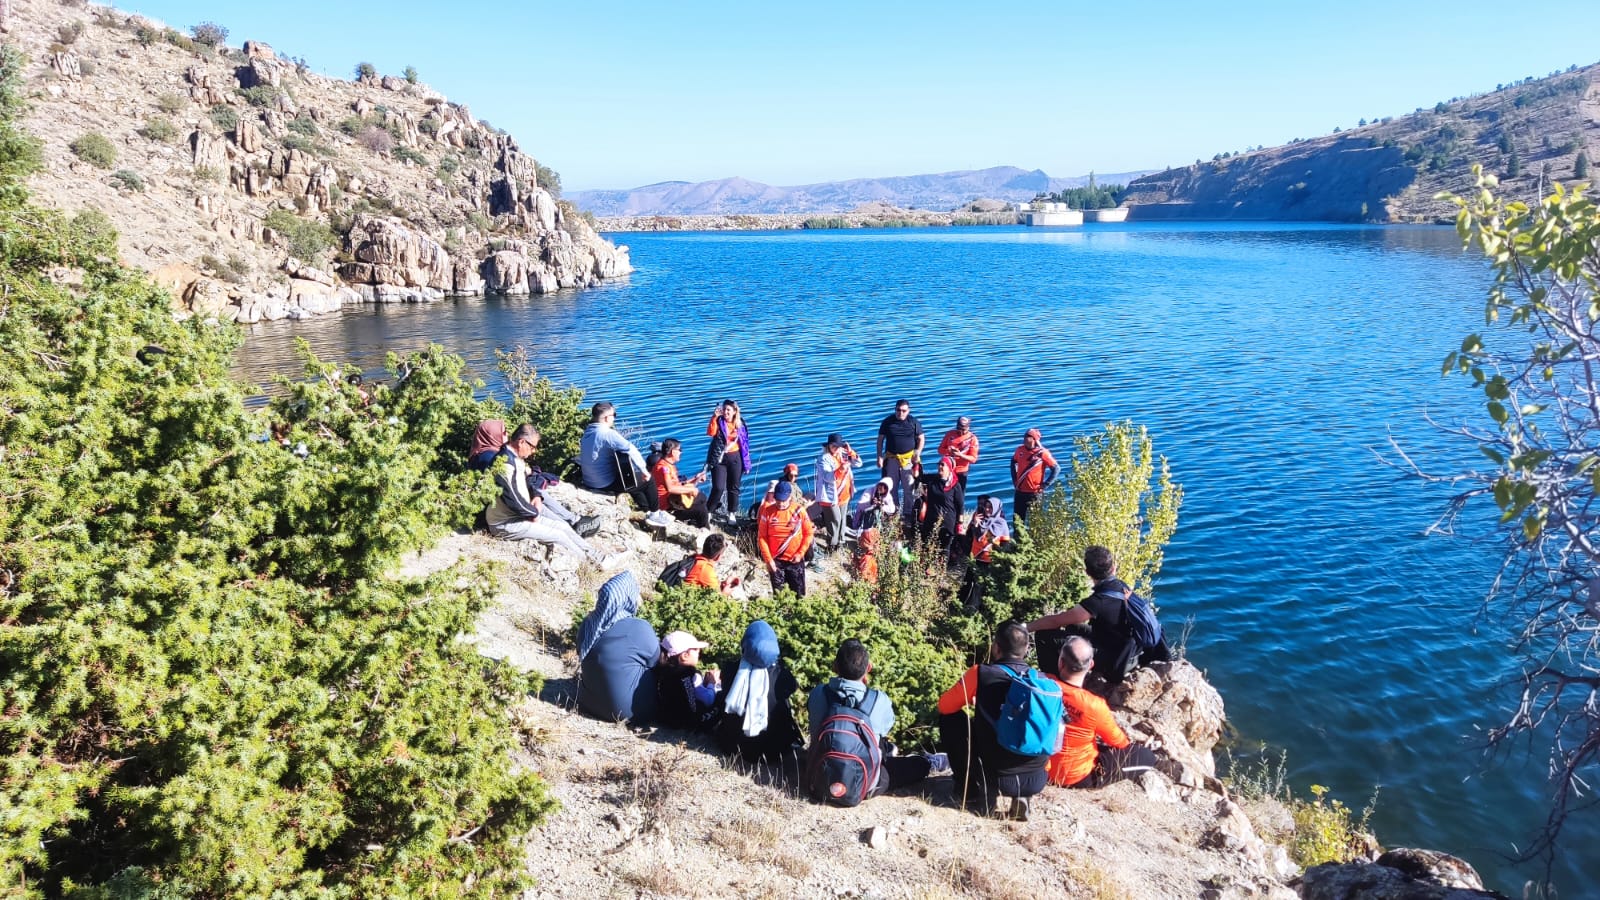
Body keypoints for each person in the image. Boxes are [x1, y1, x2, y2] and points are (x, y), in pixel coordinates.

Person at [936, 622, 1051, 819]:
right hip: (1037, 776)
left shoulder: (981, 673)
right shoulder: (1043, 681)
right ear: (1026, 650)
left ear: (996, 647)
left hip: (997, 774)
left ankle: (971, 791)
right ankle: (1022, 795)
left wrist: (979, 703)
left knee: (951, 718)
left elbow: (945, 706)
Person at [1025, 545, 1171, 689]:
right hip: (1133, 652)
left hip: (1115, 660)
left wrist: (1025, 628)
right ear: (1113, 568)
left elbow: (1055, 621)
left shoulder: (1098, 602)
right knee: (1072, 627)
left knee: (1044, 636)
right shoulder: (1121, 586)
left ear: (1087, 572)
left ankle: (1055, 686)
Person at [807, 639, 931, 799]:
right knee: (919, 766)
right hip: (865, 784)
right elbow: (886, 727)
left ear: (834, 666)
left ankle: (888, 750)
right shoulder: (879, 699)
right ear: (868, 668)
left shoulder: (818, 693)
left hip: (819, 778)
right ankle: (921, 761)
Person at [485, 424, 613, 564]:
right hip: (505, 523)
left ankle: (598, 556)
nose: (534, 451)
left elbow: (528, 479)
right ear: (521, 442)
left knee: (563, 526)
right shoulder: (505, 465)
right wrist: (533, 513)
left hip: (520, 513)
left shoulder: (514, 457)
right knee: (558, 535)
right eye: (532, 446)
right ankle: (590, 563)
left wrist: (536, 496)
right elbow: (512, 500)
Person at [1046, 636, 1158, 788]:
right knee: (1147, 756)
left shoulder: (1043, 683)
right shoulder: (1093, 705)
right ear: (1091, 665)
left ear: (1061, 662)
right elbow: (1119, 742)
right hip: (1073, 776)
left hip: (1040, 767)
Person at [716, 620, 805, 770]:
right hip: (773, 751)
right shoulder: (783, 675)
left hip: (732, 746)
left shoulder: (730, 669)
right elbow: (791, 689)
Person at [577, 572, 659, 724]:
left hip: (587, 703)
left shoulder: (587, 625)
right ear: (628, 598)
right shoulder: (638, 628)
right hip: (631, 712)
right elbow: (656, 661)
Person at [579, 401, 664, 519]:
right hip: (604, 484)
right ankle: (655, 514)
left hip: (589, 481)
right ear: (607, 418)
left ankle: (645, 510)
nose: (614, 418)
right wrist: (644, 471)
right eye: (614, 415)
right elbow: (631, 450)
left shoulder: (588, 431)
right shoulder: (607, 433)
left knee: (634, 480)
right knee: (648, 480)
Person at [654, 630, 722, 731]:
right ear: (684, 656)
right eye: (695, 649)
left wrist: (705, 684)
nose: (699, 651)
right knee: (722, 697)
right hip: (691, 722)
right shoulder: (688, 675)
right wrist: (712, 683)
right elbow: (708, 700)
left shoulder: (663, 672)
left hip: (669, 718)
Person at [757, 480, 815, 596]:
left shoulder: (799, 511)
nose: (781, 503)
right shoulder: (767, 512)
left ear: (790, 497)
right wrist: (768, 560)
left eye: (783, 500)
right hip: (776, 561)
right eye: (778, 500)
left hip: (795, 560)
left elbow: (808, 533)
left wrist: (800, 553)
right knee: (779, 597)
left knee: (799, 596)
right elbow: (762, 537)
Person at [958, 496, 1010, 610]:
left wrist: (1000, 560)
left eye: (990, 508)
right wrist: (974, 524)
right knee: (969, 583)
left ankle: (976, 609)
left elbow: (1005, 545)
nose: (987, 510)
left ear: (996, 509)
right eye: (986, 507)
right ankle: (962, 605)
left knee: (981, 586)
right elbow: (973, 537)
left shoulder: (1001, 524)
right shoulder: (979, 520)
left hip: (990, 561)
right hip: (976, 557)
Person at [705, 399, 751, 526]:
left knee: (734, 487)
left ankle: (731, 513)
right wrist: (714, 417)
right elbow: (710, 432)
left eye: (728, 410)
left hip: (736, 458)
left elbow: (745, 445)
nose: (725, 412)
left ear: (735, 411)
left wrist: (747, 464)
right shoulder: (718, 422)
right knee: (718, 487)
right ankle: (709, 511)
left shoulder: (741, 424)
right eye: (724, 409)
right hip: (719, 458)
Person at [875, 399, 924, 515]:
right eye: (898, 410)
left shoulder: (914, 422)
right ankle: (893, 513)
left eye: (903, 411)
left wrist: (917, 452)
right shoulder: (887, 422)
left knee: (909, 489)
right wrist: (879, 456)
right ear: (895, 409)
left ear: (908, 411)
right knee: (891, 488)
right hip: (891, 459)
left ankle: (908, 514)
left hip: (908, 460)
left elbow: (921, 438)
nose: (900, 413)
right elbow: (880, 440)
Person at [814, 433, 861, 553]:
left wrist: (851, 452)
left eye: (838, 446)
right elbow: (827, 477)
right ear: (828, 446)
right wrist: (840, 469)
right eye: (833, 446)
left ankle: (840, 542)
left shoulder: (844, 454)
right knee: (835, 520)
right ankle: (832, 545)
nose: (835, 448)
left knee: (842, 520)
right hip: (830, 496)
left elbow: (859, 463)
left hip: (844, 494)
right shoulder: (823, 458)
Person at [911, 455, 964, 556]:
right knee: (928, 544)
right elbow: (917, 476)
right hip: (931, 518)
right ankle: (927, 568)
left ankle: (941, 569)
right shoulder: (933, 480)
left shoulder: (955, 486)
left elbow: (960, 505)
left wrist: (959, 524)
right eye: (939, 464)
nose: (939, 467)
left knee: (944, 549)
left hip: (947, 521)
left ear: (949, 468)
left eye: (942, 465)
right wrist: (916, 463)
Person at [652, 438, 711, 528]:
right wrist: (690, 489)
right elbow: (671, 488)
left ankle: (697, 521)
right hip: (668, 507)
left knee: (702, 497)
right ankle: (705, 531)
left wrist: (696, 479)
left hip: (675, 500)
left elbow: (679, 485)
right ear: (673, 452)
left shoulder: (669, 465)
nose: (681, 452)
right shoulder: (663, 468)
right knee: (701, 510)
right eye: (680, 450)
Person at [1009, 428, 1058, 525]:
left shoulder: (1042, 453)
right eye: (1025, 436)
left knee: (1036, 522)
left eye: (1028, 436)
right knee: (1017, 521)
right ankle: (1018, 539)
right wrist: (1015, 480)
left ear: (1035, 439)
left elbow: (1056, 469)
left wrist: (1045, 484)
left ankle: (1035, 539)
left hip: (1034, 493)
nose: (1025, 438)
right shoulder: (1020, 450)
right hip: (1020, 491)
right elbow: (1013, 462)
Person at [937, 416, 980, 491]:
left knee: (959, 496)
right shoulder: (950, 434)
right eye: (959, 429)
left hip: (961, 471)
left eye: (963, 429)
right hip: (947, 470)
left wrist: (960, 455)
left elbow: (973, 459)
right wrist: (949, 451)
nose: (961, 431)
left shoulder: (972, 439)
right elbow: (940, 450)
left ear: (968, 427)